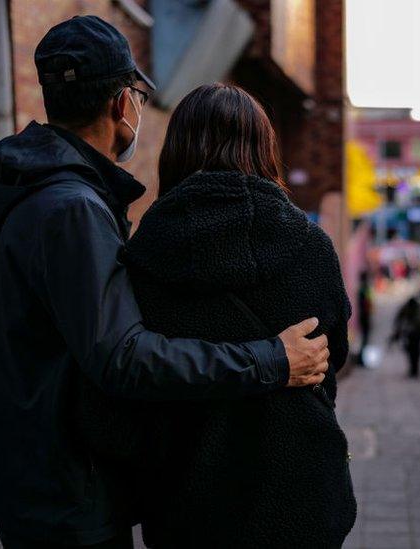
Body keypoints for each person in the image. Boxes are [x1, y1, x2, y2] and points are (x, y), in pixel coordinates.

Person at [0, 17, 329, 549]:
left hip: (38, 473)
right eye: (137, 95)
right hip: (63, 489)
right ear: (120, 104)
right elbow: (124, 358)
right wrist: (272, 360)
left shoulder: (48, 192)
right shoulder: (73, 209)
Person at [79, 83, 357, 548]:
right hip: (300, 496)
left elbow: (135, 379)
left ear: (178, 152)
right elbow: (335, 356)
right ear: (264, 150)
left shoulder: (146, 254)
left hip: (188, 503)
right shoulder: (310, 247)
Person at [391, 294, 420, 378]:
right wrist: (399, 331)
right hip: (410, 334)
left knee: (415, 352)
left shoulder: (419, 309)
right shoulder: (407, 307)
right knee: (411, 352)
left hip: (417, 333)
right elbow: (399, 318)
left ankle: (415, 370)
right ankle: (413, 370)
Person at [356, 270, 373, 366]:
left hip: (363, 315)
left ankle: (361, 358)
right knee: (365, 339)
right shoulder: (365, 288)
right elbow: (367, 303)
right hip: (365, 316)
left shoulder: (361, 288)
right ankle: (361, 359)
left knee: (364, 338)